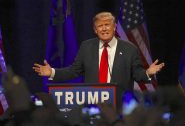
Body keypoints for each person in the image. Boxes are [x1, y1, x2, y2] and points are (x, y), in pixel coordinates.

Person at [33, 11, 164, 109]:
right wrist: (52, 72)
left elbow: (137, 73)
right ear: (95, 30)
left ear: (114, 28)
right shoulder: (87, 46)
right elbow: (74, 71)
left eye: (107, 25)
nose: (104, 28)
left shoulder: (129, 49)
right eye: (100, 26)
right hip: (93, 105)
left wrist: (148, 73)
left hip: (119, 105)